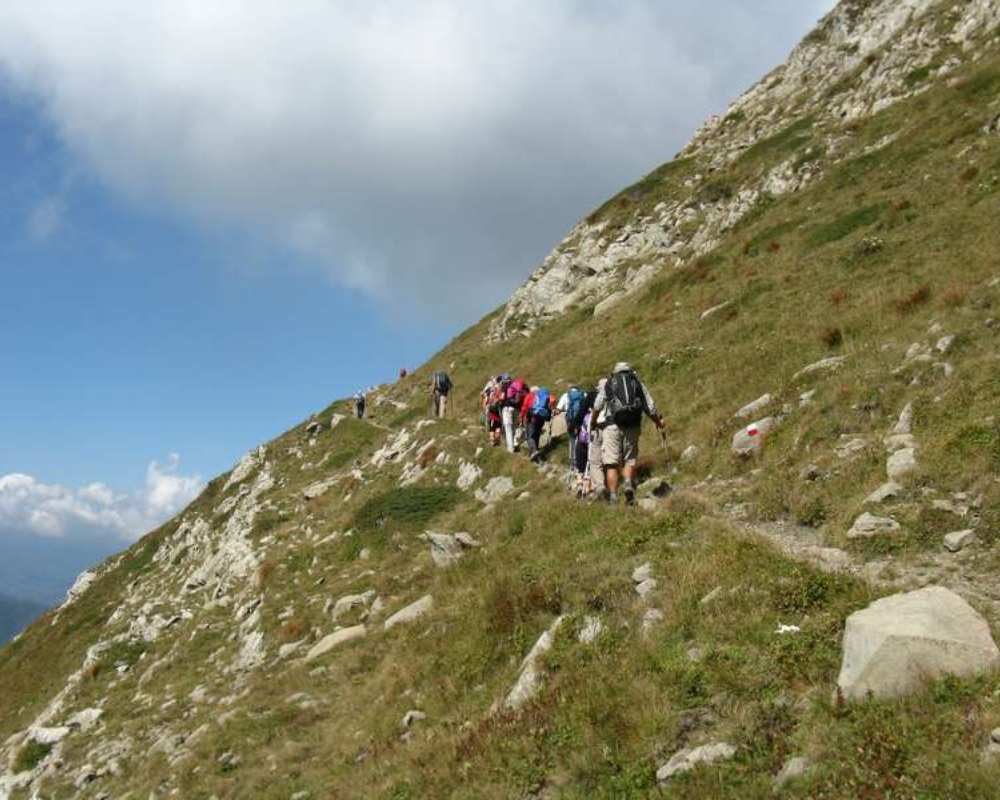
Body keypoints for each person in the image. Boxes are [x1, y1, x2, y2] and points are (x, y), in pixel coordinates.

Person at [593, 362, 664, 505]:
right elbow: (649, 406)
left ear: (615, 372)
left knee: (611, 463)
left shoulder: (609, 383)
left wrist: (593, 422)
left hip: (612, 425)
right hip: (633, 425)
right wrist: (657, 421)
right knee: (629, 459)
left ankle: (613, 496)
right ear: (630, 371)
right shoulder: (636, 382)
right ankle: (627, 484)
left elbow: (597, 405)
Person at [556, 385, 589, 469]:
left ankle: (573, 462)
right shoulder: (583, 394)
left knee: (572, 439)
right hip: (582, 419)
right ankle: (583, 461)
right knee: (582, 438)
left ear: (570, 389)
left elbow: (558, 409)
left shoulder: (566, 395)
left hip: (571, 421)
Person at [520, 385, 554, 462]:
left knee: (530, 435)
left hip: (532, 417)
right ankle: (535, 452)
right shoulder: (544, 397)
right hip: (542, 418)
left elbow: (525, 407)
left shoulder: (530, 396)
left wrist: (521, 416)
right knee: (537, 434)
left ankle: (534, 451)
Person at [503, 378, 528, 452]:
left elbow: (504, 398)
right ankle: (516, 442)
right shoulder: (525, 389)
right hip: (517, 410)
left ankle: (511, 449)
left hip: (507, 408)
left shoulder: (509, 387)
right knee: (516, 427)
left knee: (508, 429)